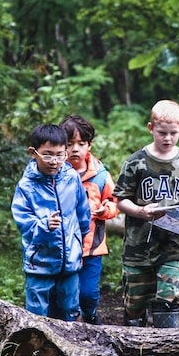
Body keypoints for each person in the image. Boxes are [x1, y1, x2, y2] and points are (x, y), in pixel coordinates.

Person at [112, 100, 179, 327]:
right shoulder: (136, 163)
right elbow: (120, 200)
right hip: (138, 247)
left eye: (173, 133)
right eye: (162, 132)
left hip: (173, 246)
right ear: (150, 128)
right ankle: (135, 339)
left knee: (170, 298)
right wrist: (139, 211)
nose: (167, 138)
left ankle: (167, 344)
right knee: (135, 302)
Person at [11, 124, 92, 322]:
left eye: (59, 155)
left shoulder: (71, 178)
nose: (54, 161)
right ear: (33, 153)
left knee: (70, 308)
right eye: (47, 155)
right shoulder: (26, 186)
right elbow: (23, 221)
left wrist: (78, 239)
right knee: (37, 312)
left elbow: (82, 212)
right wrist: (44, 226)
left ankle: (73, 349)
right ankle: (35, 349)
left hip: (70, 261)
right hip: (40, 263)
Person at [61, 114, 119, 325]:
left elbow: (114, 201)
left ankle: (91, 316)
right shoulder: (55, 173)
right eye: (69, 144)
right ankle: (70, 327)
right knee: (68, 294)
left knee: (88, 293)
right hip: (64, 247)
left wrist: (107, 209)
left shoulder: (100, 176)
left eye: (81, 143)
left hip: (92, 247)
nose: (75, 149)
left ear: (89, 145)